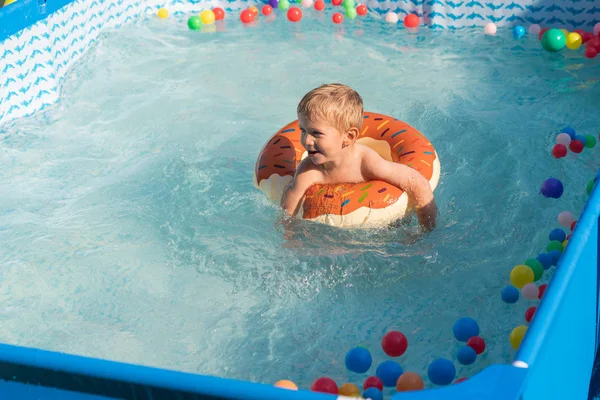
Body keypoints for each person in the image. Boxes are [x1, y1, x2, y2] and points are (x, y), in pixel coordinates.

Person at [280, 83, 438, 231]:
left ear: (348, 136)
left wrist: (425, 231)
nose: (306, 140)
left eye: (316, 133)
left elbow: (416, 182)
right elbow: (288, 213)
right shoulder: (308, 170)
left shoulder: (366, 163)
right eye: (303, 130)